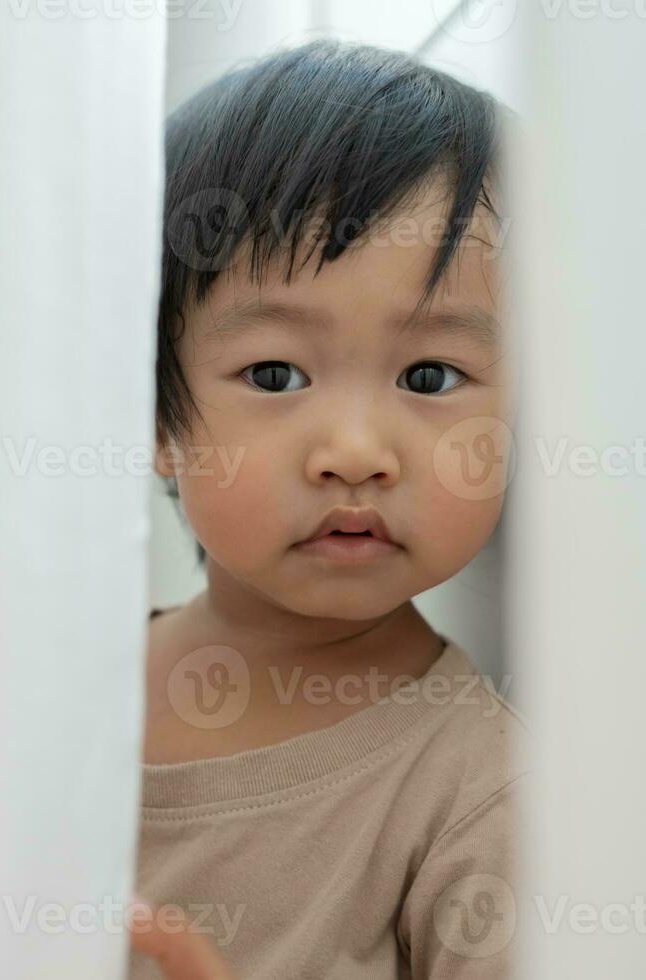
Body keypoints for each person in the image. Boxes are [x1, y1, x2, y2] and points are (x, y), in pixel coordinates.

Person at [129, 38, 526, 979]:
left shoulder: (487, 802)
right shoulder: (40, 690)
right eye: (275, 373)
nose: (355, 453)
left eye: (431, 375)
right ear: (154, 417)